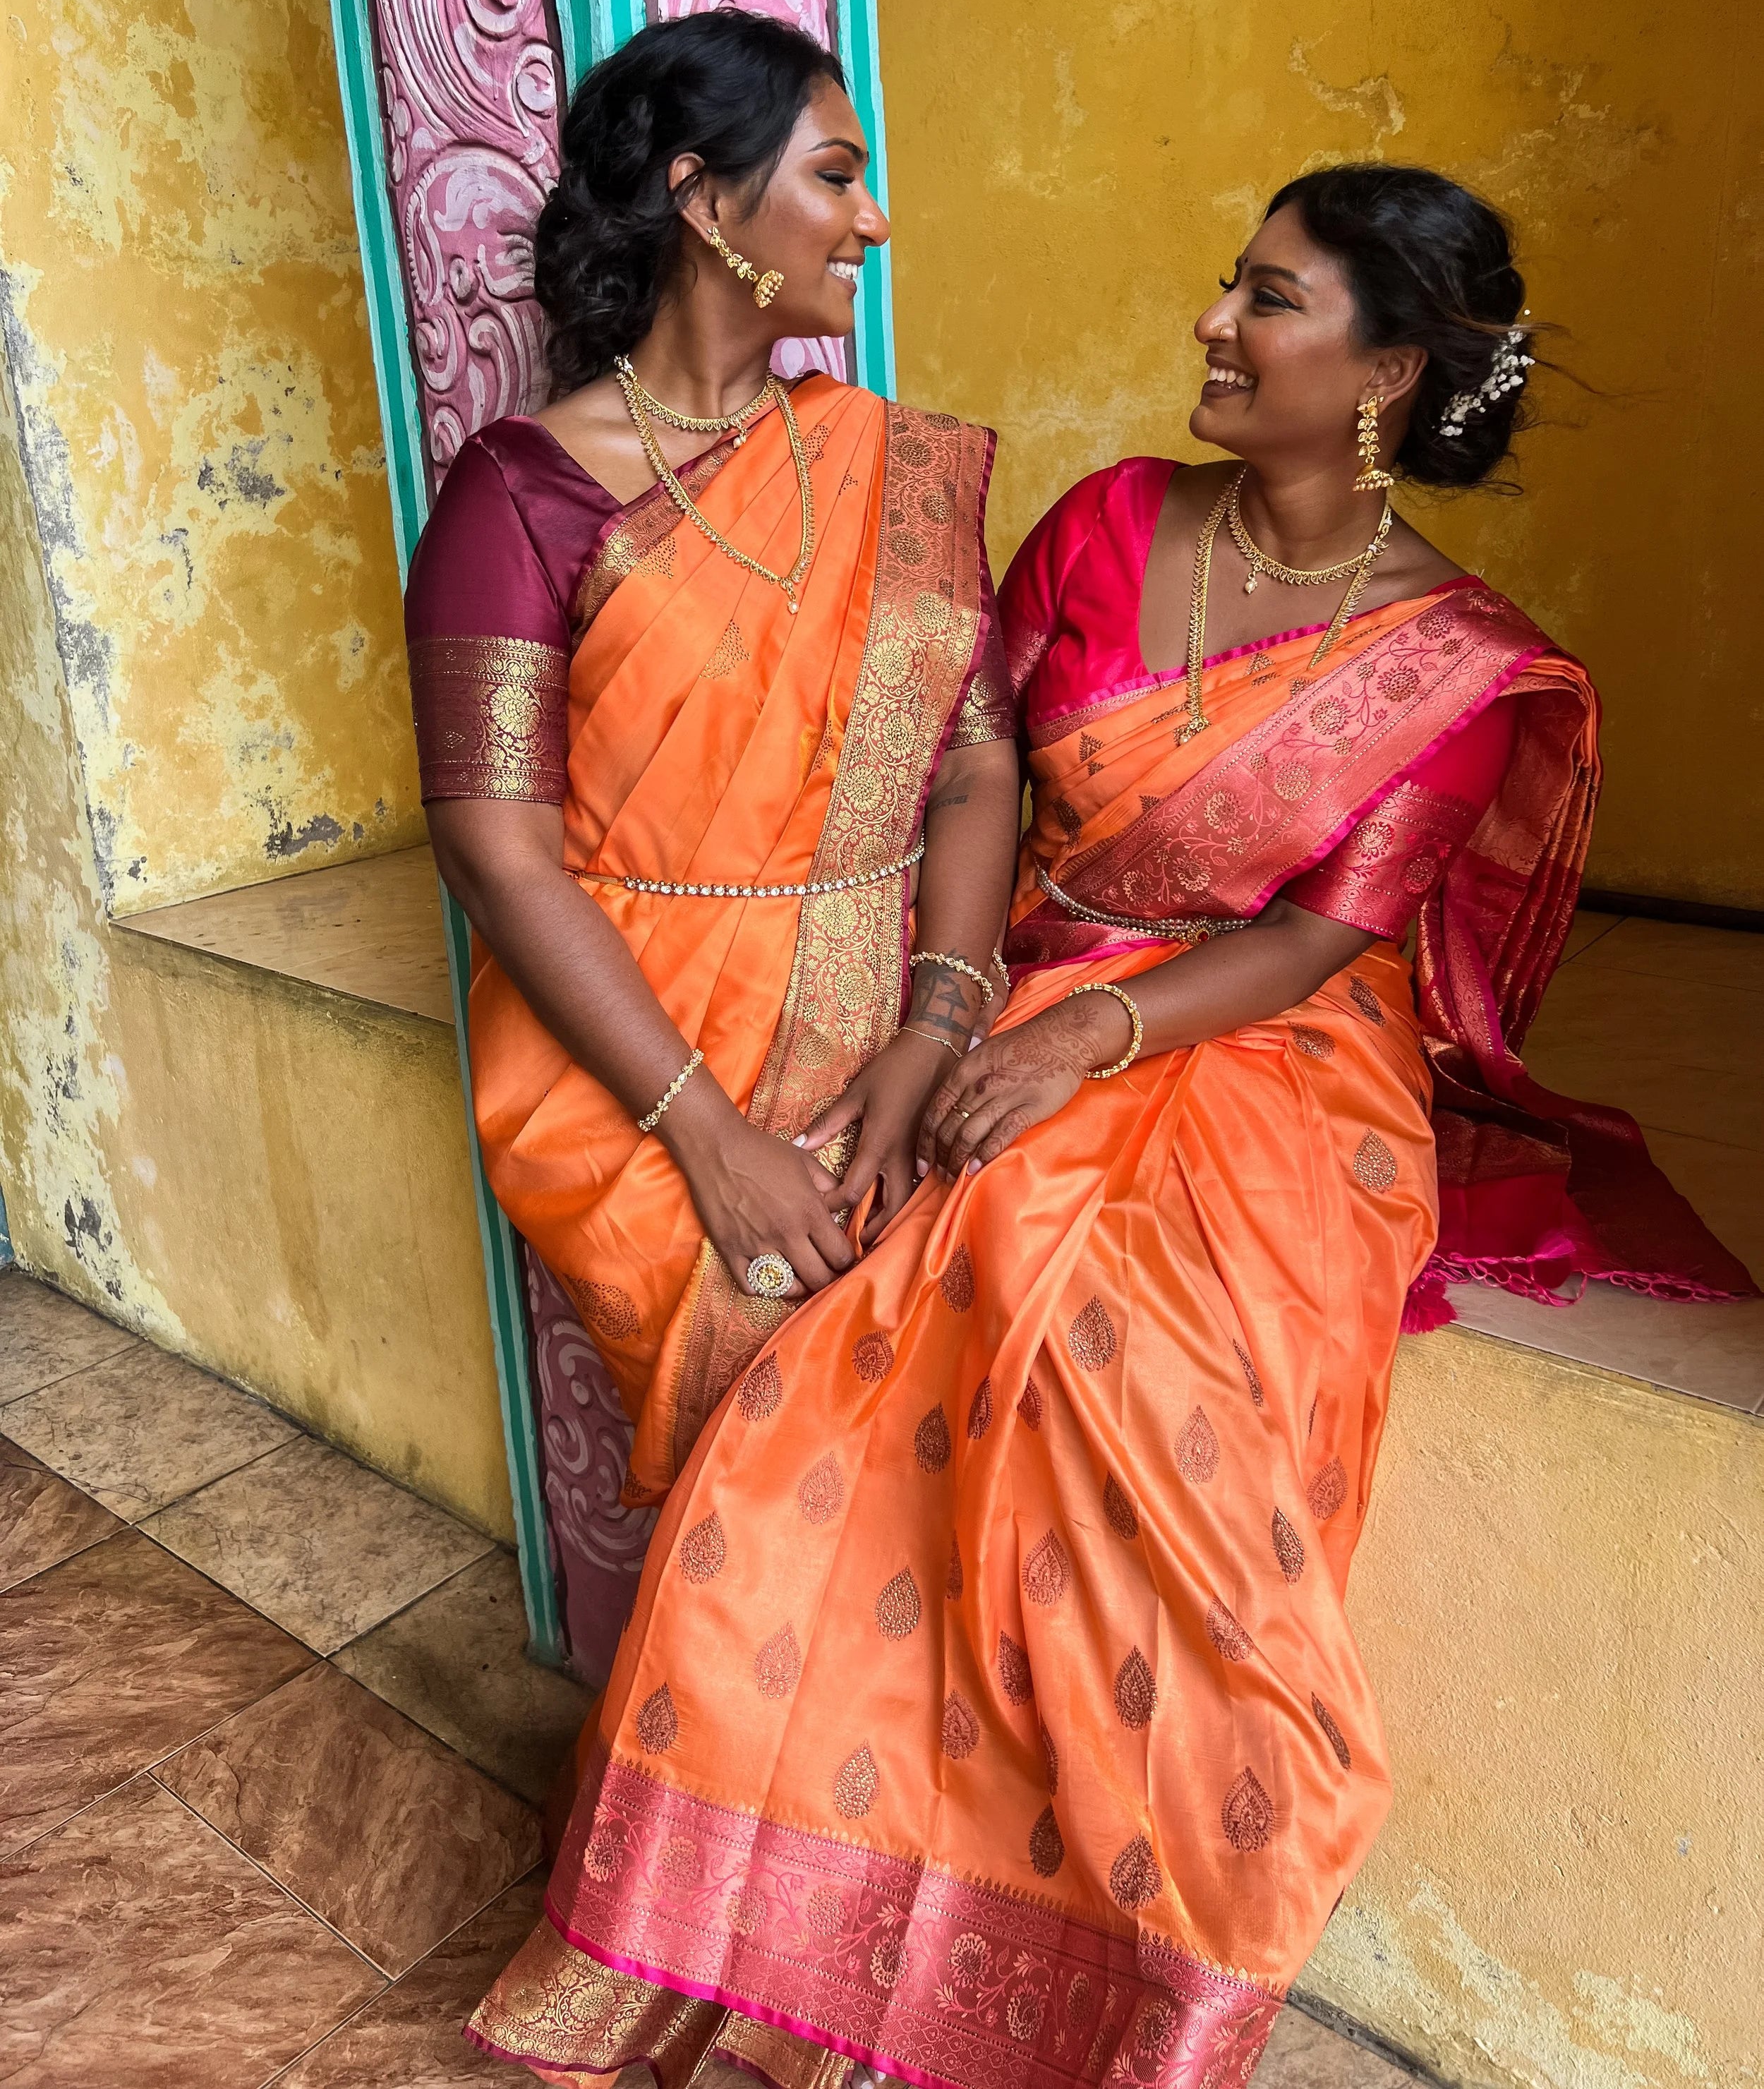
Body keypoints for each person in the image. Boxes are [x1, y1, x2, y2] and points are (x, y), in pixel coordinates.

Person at [466, 167, 1752, 2085]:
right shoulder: (1103, 523)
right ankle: (800, 1904)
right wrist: (956, 1009)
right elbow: (971, 778)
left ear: (1387, 368)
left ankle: (1117, 1948)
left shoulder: (1452, 662)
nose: (1214, 327)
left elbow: (1325, 936)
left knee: (1097, 1326)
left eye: (1272, 301)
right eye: (1226, 284)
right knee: (840, 1322)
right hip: (1030, 978)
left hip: (1271, 1042)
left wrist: (1103, 1037)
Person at [404, 6, 1022, 1521]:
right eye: (832, 174)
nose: (870, 217)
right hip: (643, 1059)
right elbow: (495, 849)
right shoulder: (526, 494)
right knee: (764, 1492)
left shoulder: (892, 467)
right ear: (700, 197)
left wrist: (935, 1031)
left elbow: (973, 767)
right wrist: (710, 1136)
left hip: (890, 1024)